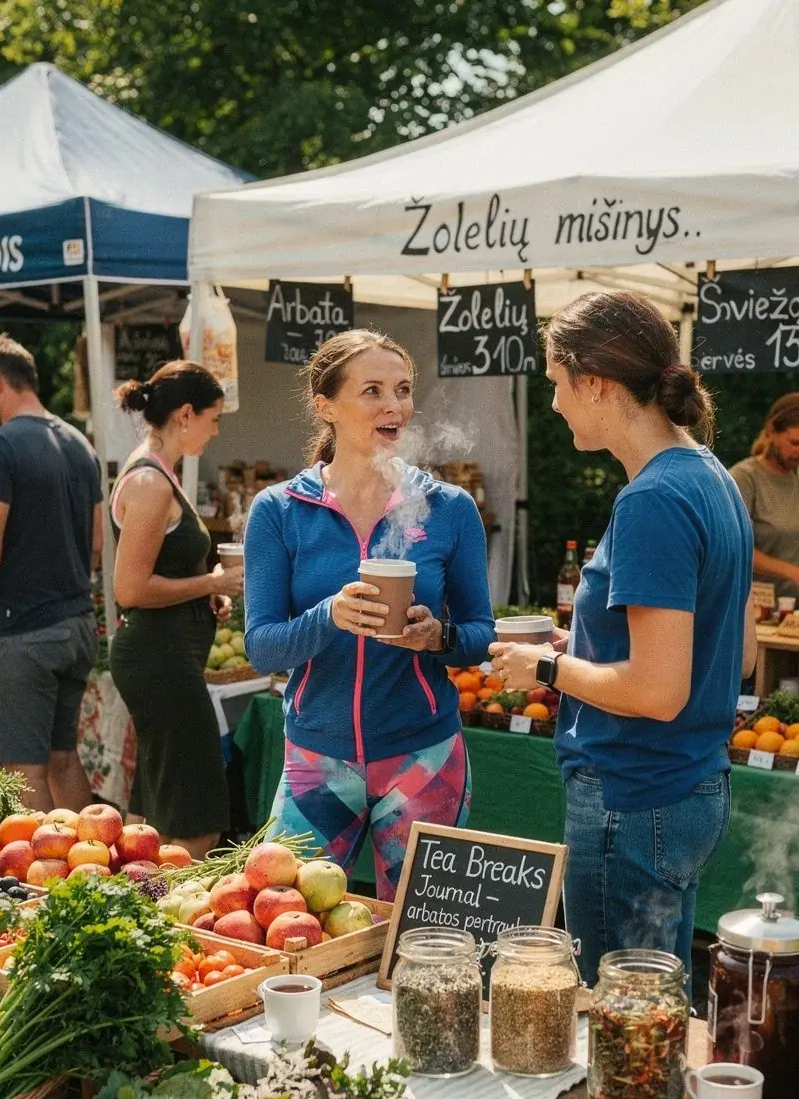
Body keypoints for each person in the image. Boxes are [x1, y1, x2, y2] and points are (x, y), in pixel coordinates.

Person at [490, 292, 756, 988]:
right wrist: (582, 645)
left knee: (623, 1018)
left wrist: (548, 666)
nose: (553, 404)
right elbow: (740, 652)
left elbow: (657, 690)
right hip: (689, 786)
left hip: (635, 798)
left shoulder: (652, 499)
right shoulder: (712, 478)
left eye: (555, 383)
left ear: (596, 383)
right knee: (660, 1007)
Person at [244, 329, 495, 899]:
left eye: (403, 390)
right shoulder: (280, 511)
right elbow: (261, 645)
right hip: (317, 757)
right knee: (294, 924)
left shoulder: (448, 508)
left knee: (419, 936)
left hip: (424, 756)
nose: (394, 406)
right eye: (373, 391)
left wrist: (438, 636)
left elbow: (482, 634)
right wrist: (329, 615)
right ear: (325, 406)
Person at [110, 361, 243, 858]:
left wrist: (205, 593)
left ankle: (135, 915)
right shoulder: (150, 482)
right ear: (186, 414)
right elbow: (131, 588)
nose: (216, 430)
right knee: (195, 823)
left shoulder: (159, 472)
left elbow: (158, 573)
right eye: (213, 418)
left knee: (150, 822)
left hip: (165, 655)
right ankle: (179, 928)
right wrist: (212, 579)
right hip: (159, 657)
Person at [0, 334, 101, 812]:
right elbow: (96, 542)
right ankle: (88, 869)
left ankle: (23, 884)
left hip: (21, 632)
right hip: (75, 625)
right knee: (63, 760)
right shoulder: (79, 442)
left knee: (19, 770)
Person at [730, 393, 799, 601]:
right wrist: (791, 572)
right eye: (794, 443)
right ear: (771, 431)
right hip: (758, 610)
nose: (798, 451)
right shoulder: (744, 478)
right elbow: (735, 548)